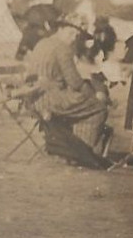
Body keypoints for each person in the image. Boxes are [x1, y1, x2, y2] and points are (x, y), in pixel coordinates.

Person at [24, 20, 110, 150]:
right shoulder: (62, 48)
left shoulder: (42, 43)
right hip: (52, 100)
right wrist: (93, 95)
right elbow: (75, 82)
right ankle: (81, 151)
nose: (73, 38)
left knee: (83, 103)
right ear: (60, 29)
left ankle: (64, 145)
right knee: (98, 108)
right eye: (71, 33)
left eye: (76, 36)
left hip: (35, 99)